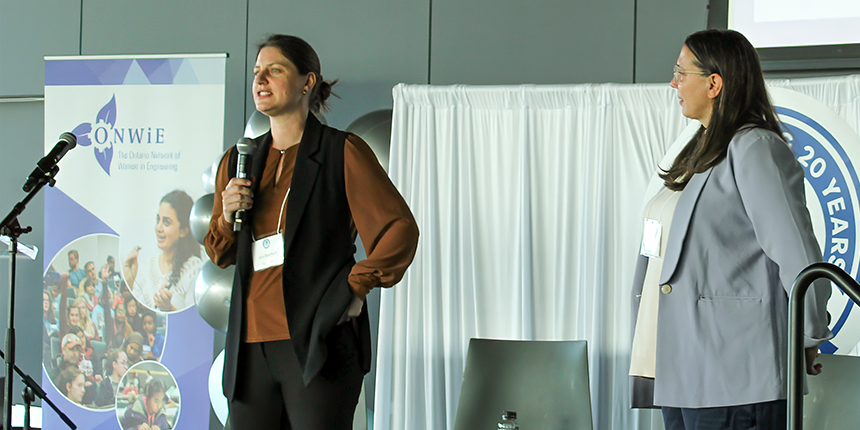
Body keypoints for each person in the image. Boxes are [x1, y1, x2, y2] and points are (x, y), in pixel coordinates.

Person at [205, 34, 419, 429]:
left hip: (319, 341)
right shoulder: (239, 160)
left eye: (275, 70)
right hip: (250, 350)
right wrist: (225, 215)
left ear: (307, 82)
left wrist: (357, 287)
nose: (261, 80)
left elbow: (399, 228)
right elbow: (220, 252)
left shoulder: (342, 151)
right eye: (256, 73)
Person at [629, 29, 832, 429]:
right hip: (685, 369)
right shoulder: (700, 151)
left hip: (735, 373)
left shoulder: (754, 147)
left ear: (714, 83)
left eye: (680, 72)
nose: (674, 83)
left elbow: (796, 252)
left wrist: (807, 333)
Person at [124, 190, 203, 312]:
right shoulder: (147, 266)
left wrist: (169, 308)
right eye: (158, 220)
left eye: (166, 222)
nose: (158, 228)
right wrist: (130, 280)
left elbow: (193, 320)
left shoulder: (193, 268)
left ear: (183, 230)